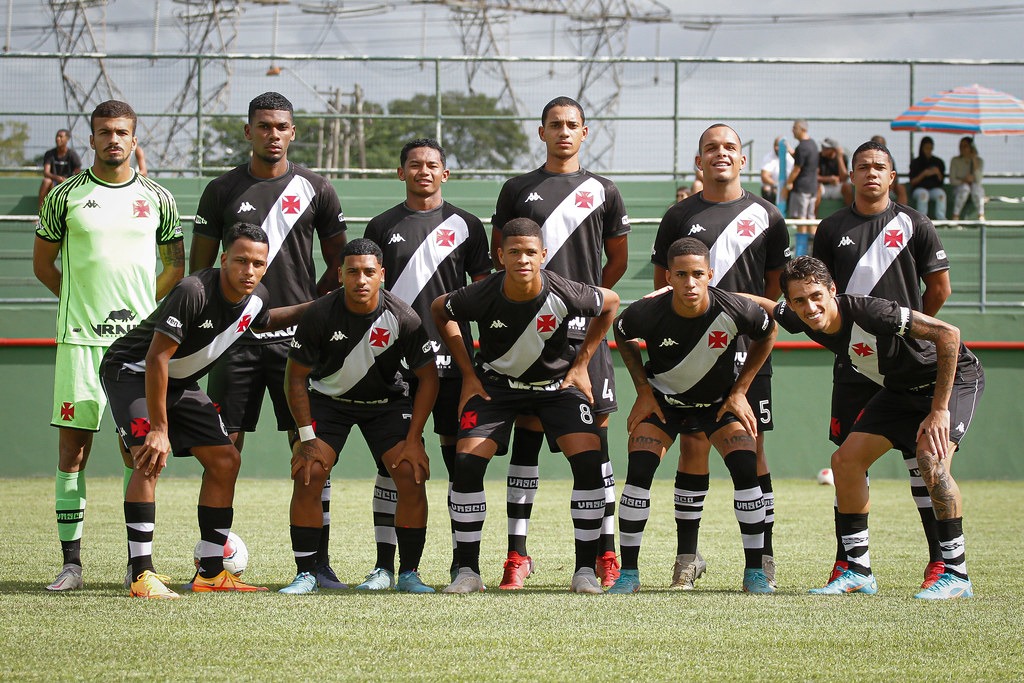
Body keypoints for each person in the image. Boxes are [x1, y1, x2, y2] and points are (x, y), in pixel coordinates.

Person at [189, 91, 349, 589]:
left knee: (308, 453)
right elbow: (199, 270)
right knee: (223, 451)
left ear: (293, 132)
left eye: (281, 126)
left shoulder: (317, 189)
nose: (272, 134)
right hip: (230, 344)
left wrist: (309, 310)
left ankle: (313, 566)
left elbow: (339, 269)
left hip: (295, 347)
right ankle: (211, 568)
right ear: (248, 131)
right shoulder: (220, 190)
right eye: (263, 126)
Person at [100, 222, 310, 598]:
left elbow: (266, 321)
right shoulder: (191, 290)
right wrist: (159, 430)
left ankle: (211, 573)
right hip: (132, 371)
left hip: (178, 382)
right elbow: (156, 358)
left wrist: (324, 305)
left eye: (258, 264)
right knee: (148, 456)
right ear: (223, 258)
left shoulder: (257, 297)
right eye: (241, 261)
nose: (249, 271)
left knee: (226, 460)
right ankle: (140, 575)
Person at [33, 100, 184, 592]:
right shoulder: (64, 196)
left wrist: (142, 319)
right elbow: (43, 264)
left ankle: (135, 562)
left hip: (134, 353)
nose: (113, 140)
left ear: (134, 140)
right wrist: (77, 304)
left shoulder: (159, 198)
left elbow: (175, 268)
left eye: (122, 132)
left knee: (136, 453)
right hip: (79, 343)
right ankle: (71, 565)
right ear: (91, 139)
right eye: (104, 132)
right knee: (72, 454)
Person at [773, 256, 983, 600]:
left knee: (931, 461)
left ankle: (956, 574)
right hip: (899, 390)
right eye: (799, 300)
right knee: (845, 461)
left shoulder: (871, 312)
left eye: (815, 297)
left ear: (832, 291)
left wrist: (939, 410)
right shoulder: (800, 317)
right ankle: (858, 570)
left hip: (952, 380)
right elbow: (762, 304)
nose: (809, 307)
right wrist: (707, 291)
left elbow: (949, 334)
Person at [431, 218, 620, 594]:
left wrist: (582, 364)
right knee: (466, 463)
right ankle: (467, 571)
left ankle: (583, 570)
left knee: (589, 462)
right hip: (497, 389)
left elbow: (610, 303)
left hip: (556, 388)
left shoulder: (564, 290)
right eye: (513, 252)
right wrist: (468, 372)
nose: (522, 259)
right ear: (499, 255)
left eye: (531, 252)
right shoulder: (482, 294)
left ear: (543, 255)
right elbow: (440, 310)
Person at [490, 96, 630, 589]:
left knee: (596, 446)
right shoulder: (517, 189)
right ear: (541, 131)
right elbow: (498, 255)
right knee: (525, 440)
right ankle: (517, 555)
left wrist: (582, 299)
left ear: (584, 133)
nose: (563, 131)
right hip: (529, 336)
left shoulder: (604, 191)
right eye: (555, 124)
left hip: (583, 338)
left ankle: (604, 553)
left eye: (572, 125)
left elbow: (616, 264)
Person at [651, 123, 789, 589]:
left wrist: (744, 327)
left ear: (742, 159)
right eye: (711, 148)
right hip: (689, 356)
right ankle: (687, 557)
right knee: (692, 445)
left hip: (746, 355)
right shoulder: (677, 216)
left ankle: (762, 559)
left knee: (753, 446)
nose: (721, 154)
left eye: (729, 147)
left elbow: (773, 291)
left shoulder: (767, 214)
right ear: (699, 161)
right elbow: (659, 287)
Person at [813, 139, 952, 589]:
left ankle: (940, 564)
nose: (871, 173)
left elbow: (939, 291)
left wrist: (909, 333)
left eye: (880, 167)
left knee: (922, 463)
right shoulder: (831, 227)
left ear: (892, 177)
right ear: (850, 175)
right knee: (848, 463)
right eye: (862, 167)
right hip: (854, 365)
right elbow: (821, 295)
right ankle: (850, 567)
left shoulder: (915, 224)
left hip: (907, 366)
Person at [610, 237, 777, 594]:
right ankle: (628, 575)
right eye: (681, 274)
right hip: (666, 404)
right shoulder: (646, 312)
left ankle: (754, 574)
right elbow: (621, 333)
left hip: (719, 404)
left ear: (710, 274)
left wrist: (740, 391)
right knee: (638, 471)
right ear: (668, 276)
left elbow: (768, 332)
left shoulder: (735, 309)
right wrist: (642, 390)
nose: (690, 283)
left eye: (698, 274)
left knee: (747, 470)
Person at [361, 138, 491, 587]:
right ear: (401, 173)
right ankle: (384, 565)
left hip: (456, 366)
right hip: (396, 367)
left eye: (432, 165)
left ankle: (463, 563)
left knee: (459, 464)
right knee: (392, 465)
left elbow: (484, 296)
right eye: (414, 165)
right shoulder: (380, 226)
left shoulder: (469, 226)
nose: (423, 172)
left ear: (445, 174)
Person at [280, 238, 439, 595]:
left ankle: (408, 573)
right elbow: (295, 376)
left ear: (382, 275)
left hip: (386, 404)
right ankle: (306, 573)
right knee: (310, 472)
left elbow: (428, 378)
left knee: (411, 474)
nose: (361, 280)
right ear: (340, 275)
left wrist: (414, 440)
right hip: (329, 401)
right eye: (352, 272)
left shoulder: (403, 316)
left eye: (369, 272)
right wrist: (306, 439)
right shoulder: (320, 314)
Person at [782, 118, 819, 255]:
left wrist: (788, 184)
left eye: (794, 128)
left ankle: (802, 253)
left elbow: (797, 168)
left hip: (802, 188)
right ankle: (815, 251)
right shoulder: (812, 144)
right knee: (810, 219)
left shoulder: (803, 147)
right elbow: (801, 159)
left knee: (801, 220)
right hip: (812, 187)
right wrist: (791, 150)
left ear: (802, 129)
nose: (793, 130)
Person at [37, 129, 82, 208]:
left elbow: (78, 173)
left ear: (67, 139)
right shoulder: (49, 154)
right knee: (46, 181)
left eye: (61, 136)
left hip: (68, 183)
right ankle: (41, 212)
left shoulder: (72, 154)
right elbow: (46, 172)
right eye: (57, 136)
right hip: (53, 182)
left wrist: (68, 181)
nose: (58, 139)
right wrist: (58, 178)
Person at [908, 136, 947, 221]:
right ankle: (922, 220)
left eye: (930, 148)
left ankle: (941, 219)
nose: (928, 151)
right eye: (926, 148)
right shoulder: (916, 162)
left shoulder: (938, 162)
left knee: (941, 195)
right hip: (919, 189)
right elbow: (913, 182)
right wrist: (924, 174)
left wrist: (937, 173)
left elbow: (941, 181)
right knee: (924, 195)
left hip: (934, 189)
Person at [950, 136, 985, 221]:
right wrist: (964, 180)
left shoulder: (979, 161)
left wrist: (974, 160)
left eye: (965, 146)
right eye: (960, 146)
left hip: (974, 189)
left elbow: (979, 180)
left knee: (977, 188)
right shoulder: (955, 160)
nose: (962, 149)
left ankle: (981, 214)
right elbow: (952, 180)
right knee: (965, 188)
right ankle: (955, 215)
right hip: (959, 189)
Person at [815, 138, 849, 217]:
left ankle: (849, 217)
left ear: (833, 149)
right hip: (823, 187)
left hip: (837, 188)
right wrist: (829, 179)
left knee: (847, 187)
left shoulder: (843, 157)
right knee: (816, 187)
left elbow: (844, 178)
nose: (822, 148)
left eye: (826, 147)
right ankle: (814, 219)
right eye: (822, 146)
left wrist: (839, 157)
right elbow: (814, 177)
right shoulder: (818, 157)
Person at [759, 136, 793, 205]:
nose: (776, 148)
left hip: (787, 186)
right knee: (767, 189)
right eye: (775, 145)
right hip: (774, 186)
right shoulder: (768, 157)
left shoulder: (790, 158)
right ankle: (770, 211)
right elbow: (764, 176)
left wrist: (786, 186)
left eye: (779, 146)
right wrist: (777, 185)